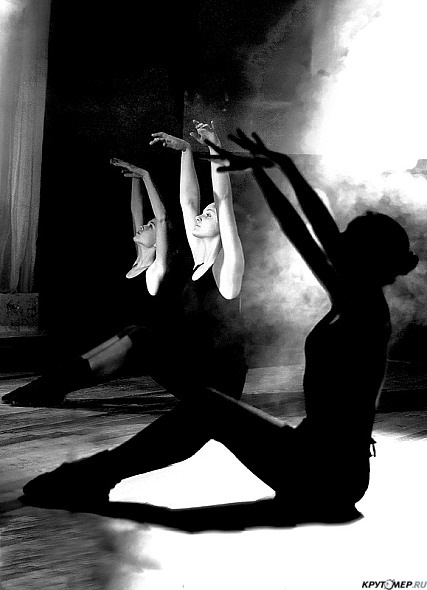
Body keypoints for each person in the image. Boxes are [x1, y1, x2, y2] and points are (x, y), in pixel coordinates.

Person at [22, 128, 416, 526]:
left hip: (330, 474)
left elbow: (317, 231)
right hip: (309, 453)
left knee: (208, 406)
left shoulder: (367, 310)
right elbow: (299, 230)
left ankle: (94, 475)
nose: (336, 244)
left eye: (347, 241)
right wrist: (268, 169)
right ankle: (94, 473)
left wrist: (282, 167)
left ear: (365, 256)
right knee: (205, 405)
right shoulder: (348, 295)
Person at [2, 160, 169, 407]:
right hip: (118, 337)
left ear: (159, 241)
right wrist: (134, 179)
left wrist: (145, 175)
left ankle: (44, 391)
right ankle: (37, 390)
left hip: (136, 346)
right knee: (74, 363)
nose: (144, 225)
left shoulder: (156, 269)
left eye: (150, 226)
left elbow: (162, 219)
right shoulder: (137, 261)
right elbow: (136, 211)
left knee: (84, 368)